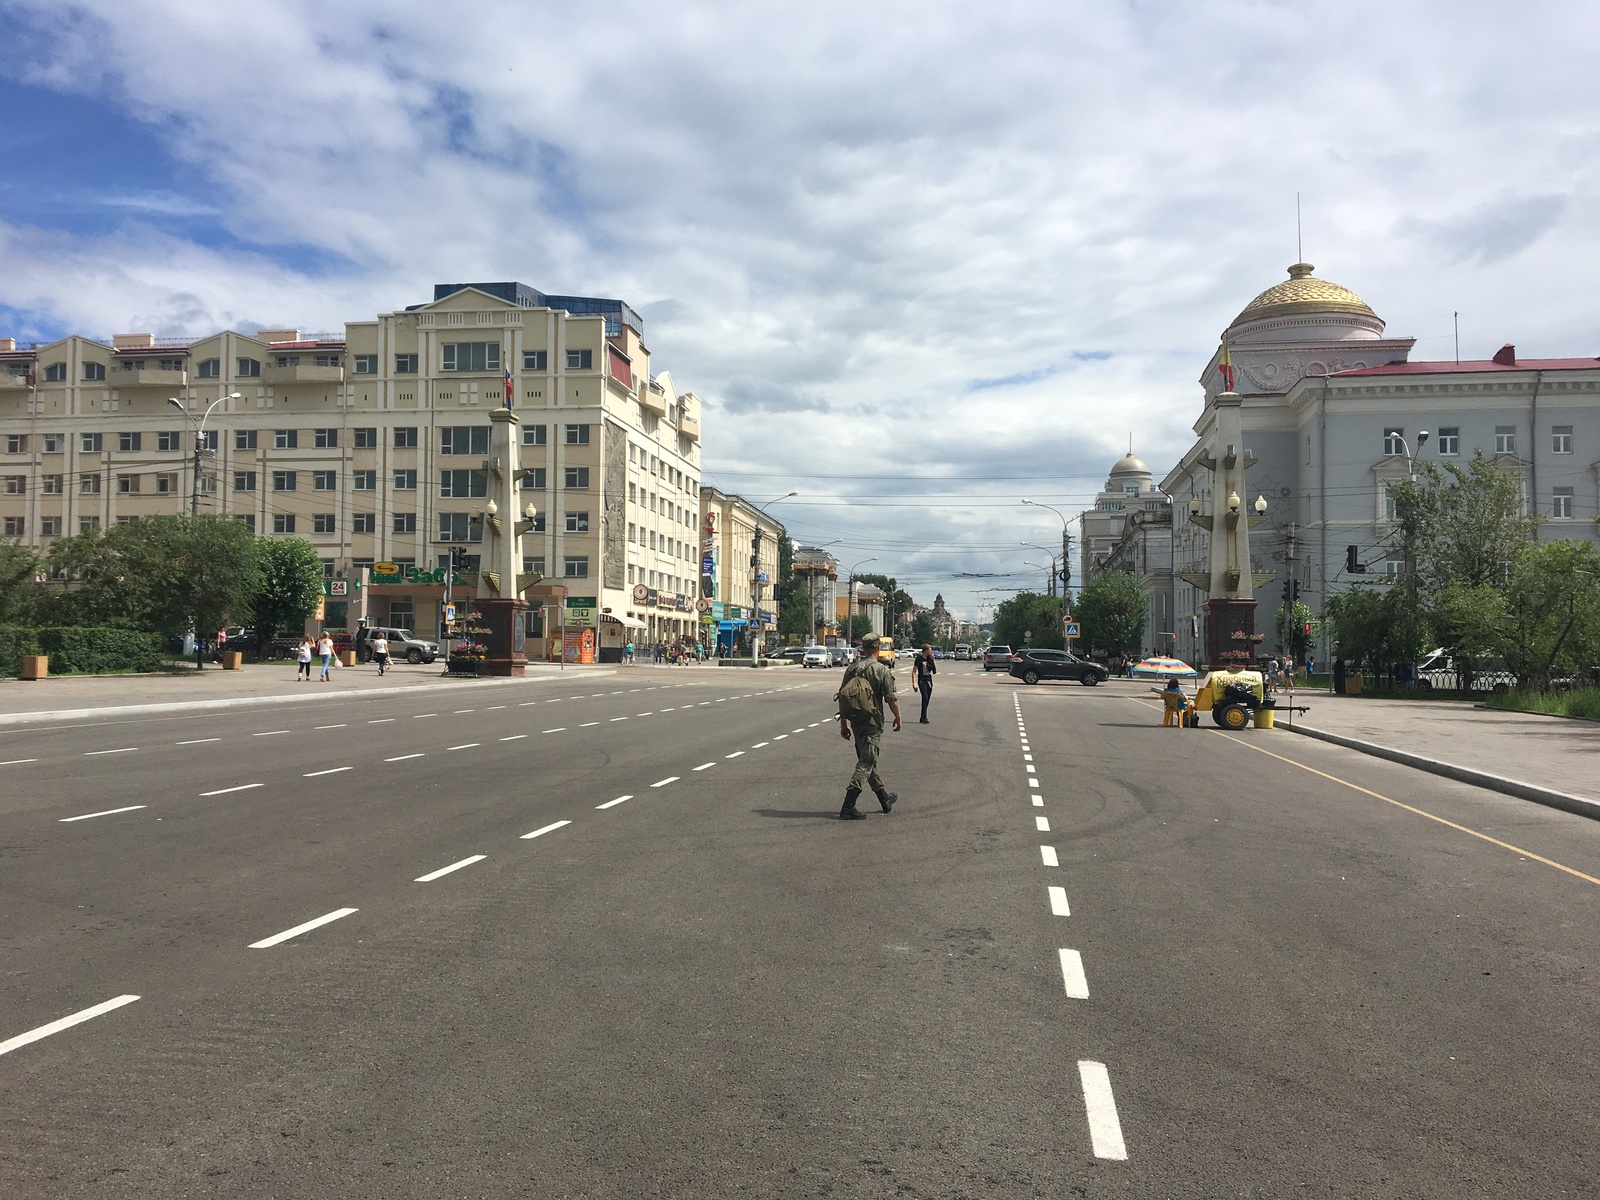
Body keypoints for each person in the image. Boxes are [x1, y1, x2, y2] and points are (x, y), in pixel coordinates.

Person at [835, 633, 902, 820]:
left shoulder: (851, 669)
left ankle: (884, 799)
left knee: (868, 759)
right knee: (866, 762)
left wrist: (843, 724)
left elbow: (842, 697)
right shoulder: (881, 670)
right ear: (878, 648)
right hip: (873, 722)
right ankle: (848, 806)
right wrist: (898, 717)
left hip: (856, 721)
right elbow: (891, 698)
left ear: (863, 649)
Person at [912, 642, 937, 724]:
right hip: (922, 680)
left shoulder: (930, 658)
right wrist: (914, 683)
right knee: (925, 697)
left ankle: (923, 716)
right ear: (925, 650)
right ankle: (923, 717)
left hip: (929, 680)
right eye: (930, 650)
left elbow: (934, 671)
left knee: (927, 698)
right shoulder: (919, 659)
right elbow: (914, 671)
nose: (931, 651)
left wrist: (933, 660)